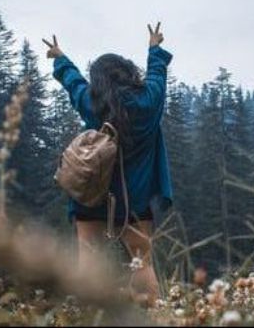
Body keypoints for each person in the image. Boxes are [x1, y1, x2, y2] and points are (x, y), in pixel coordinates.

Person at [42, 22, 173, 302]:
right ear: (128, 74)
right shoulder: (149, 102)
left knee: (88, 259)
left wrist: (59, 56)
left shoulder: (93, 104)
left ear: (99, 81)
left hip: (93, 195)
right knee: (143, 262)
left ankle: (88, 318)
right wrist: (154, 47)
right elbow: (157, 76)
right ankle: (155, 318)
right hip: (135, 202)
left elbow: (74, 82)